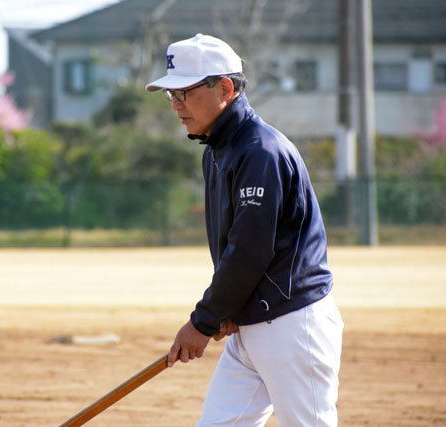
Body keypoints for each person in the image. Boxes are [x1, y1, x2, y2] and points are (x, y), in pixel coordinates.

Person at [145, 33, 344, 426]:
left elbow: (250, 249)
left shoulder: (260, 151)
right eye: (172, 96)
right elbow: (233, 249)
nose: (177, 106)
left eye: (184, 93)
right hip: (251, 326)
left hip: (292, 325)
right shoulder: (218, 150)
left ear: (225, 88)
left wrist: (202, 321)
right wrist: (229, 310)